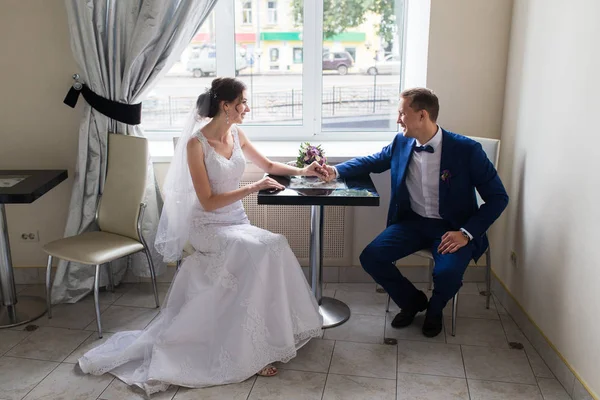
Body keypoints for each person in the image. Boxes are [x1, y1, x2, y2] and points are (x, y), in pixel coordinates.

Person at [77, 77, 325, 395]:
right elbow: (207, 201)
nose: (246, 109)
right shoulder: (197, 145)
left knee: (274, 244)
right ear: (226, 106)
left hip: (237, 221)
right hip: (208, 227)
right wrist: (255, 186)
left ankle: (269, 335)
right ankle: (250, 351)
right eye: (243, 103)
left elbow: (267, 164)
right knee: (261, 249)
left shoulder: (237, 133)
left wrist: (304, 171)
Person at [319, 87, 508, 338]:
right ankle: (412, 302)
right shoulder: (402, 141)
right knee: (371, 257)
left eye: (402, 113)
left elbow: (498, 197)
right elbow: (374, 161)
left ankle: (436, 310)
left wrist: (466, 232)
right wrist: (336, 171)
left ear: (422, 115)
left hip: (452, 228)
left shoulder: (467, 150)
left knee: (448, 272)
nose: (398, 120)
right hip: (413, 223)